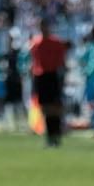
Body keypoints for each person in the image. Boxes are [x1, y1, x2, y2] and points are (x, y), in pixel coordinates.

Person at [28, 17, 68, 147]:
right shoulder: (36, 43)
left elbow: (61, 62)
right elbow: (34, 62)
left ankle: (56, 135)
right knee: (45, 108)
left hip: (52, 75)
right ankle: (50, 136)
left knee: (55, 108)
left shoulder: (56, 43)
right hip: (41, 76)